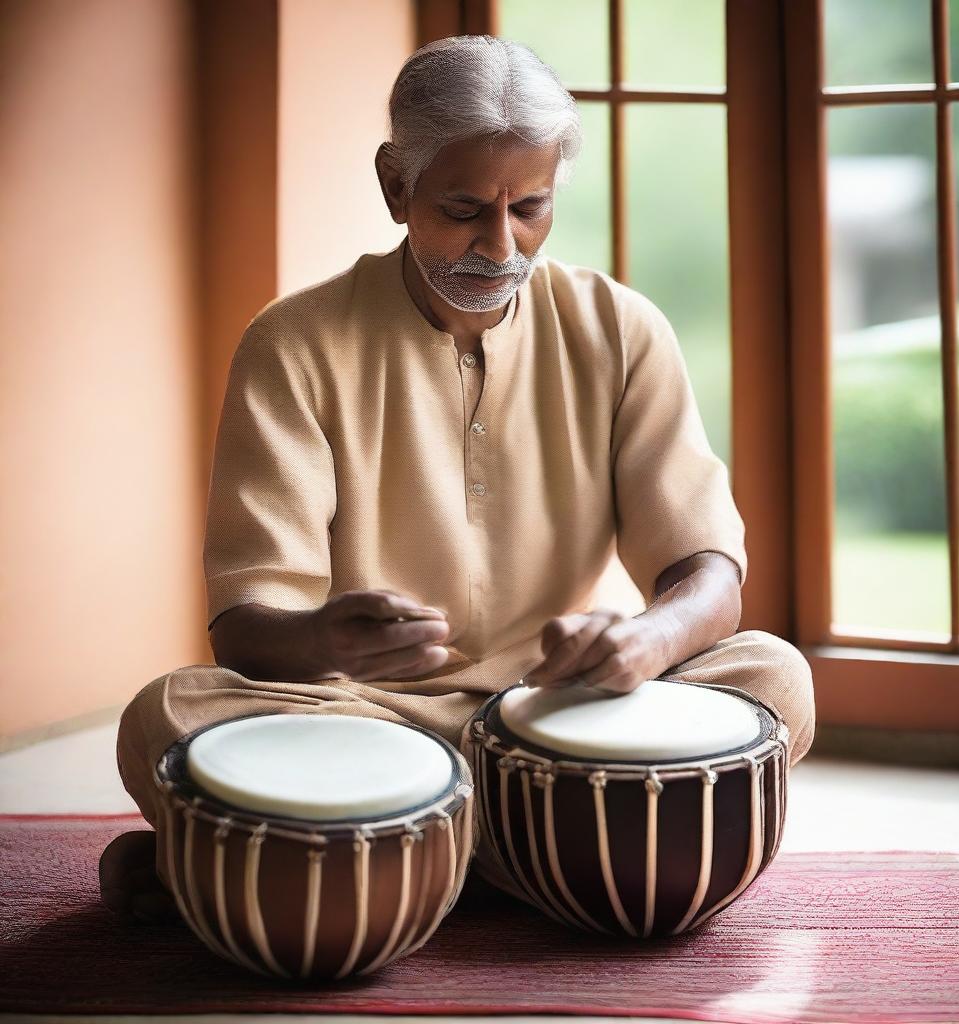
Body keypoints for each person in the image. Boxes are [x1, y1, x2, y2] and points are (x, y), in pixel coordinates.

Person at [100, 33, 815, 924]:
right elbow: (246, 631)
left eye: (531, 208)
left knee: (772, 675)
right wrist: (329, 642)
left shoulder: (621, 329)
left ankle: (349, 854)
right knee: (165, 711)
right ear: (396, 187)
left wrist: (646, 644)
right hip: (366, 717)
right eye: (466, 207)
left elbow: (708, 577)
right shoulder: (294, 343)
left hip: (560, 715)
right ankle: (549, 854)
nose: (500, 244)